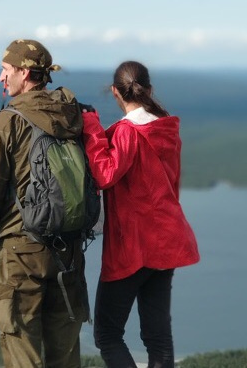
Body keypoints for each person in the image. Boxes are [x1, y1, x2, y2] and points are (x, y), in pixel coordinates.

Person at [0, 39, 89, 368]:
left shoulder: (8, 122)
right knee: (65, 354)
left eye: (6, 70)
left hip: (21, 254)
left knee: (23, 351)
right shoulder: (73, 116)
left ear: (24, 72)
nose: (1, 78)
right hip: (69, 252)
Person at [80, 60, 200, 368]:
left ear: (115, 93)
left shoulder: (128, 134)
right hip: (168, 241)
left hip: (133, 248)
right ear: (149, 90)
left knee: (107, 334)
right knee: (157, 336)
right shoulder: (167, 129)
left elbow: (105, 174)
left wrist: (91, 126)